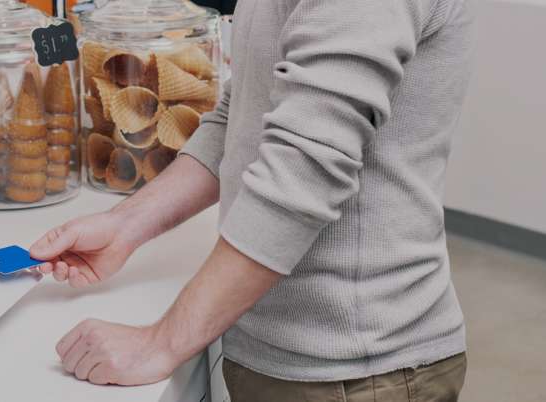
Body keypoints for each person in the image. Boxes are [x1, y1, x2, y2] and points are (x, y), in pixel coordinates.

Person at [30, 0, 472, 400]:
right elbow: (241, 113)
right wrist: (125, 227)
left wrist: (160, 343)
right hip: (285, 350)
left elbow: (304, 170)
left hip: (354, 371)